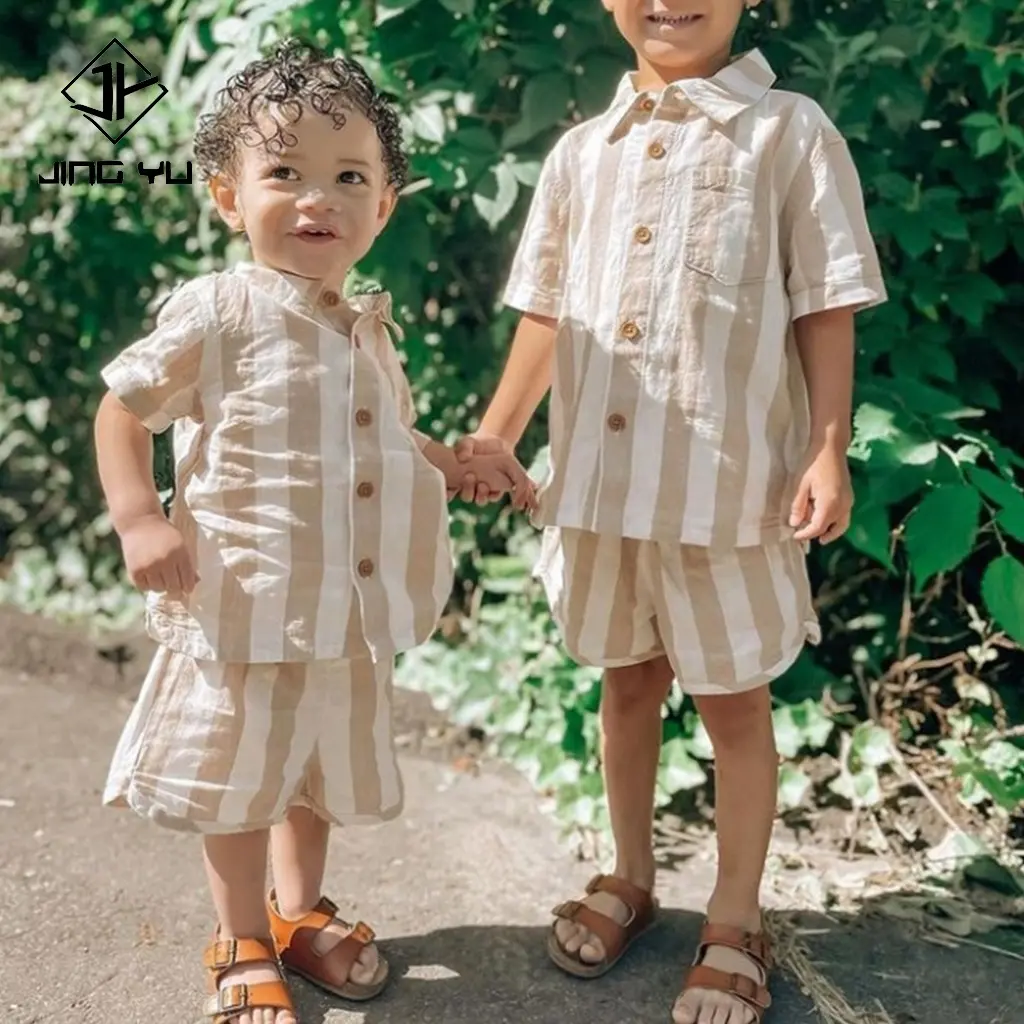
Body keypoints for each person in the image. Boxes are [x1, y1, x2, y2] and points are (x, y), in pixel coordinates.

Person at [454, 2, 886, 1022]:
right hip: (602, 487)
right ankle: (630, 872)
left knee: (734, 703)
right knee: (626, 682)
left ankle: (734, 919)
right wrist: (497, 433)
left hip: (723, 489)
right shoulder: (578, 152)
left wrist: (827, 445)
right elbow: (547, 310)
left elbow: (824, 298)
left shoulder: (791, 133)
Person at [93, 39, 534, 1024]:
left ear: (383, 206)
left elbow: (380, 442)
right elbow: (122, 411)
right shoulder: (220, 311)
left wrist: (449, 462)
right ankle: (241, 935)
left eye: (348, 177)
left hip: (342, 608)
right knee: (240, 780)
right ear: (225, 197)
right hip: (246, 604)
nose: (315, 198)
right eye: (282, 171)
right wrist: (136, 516)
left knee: (310, 771)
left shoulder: (364, 323)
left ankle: (297, 915)